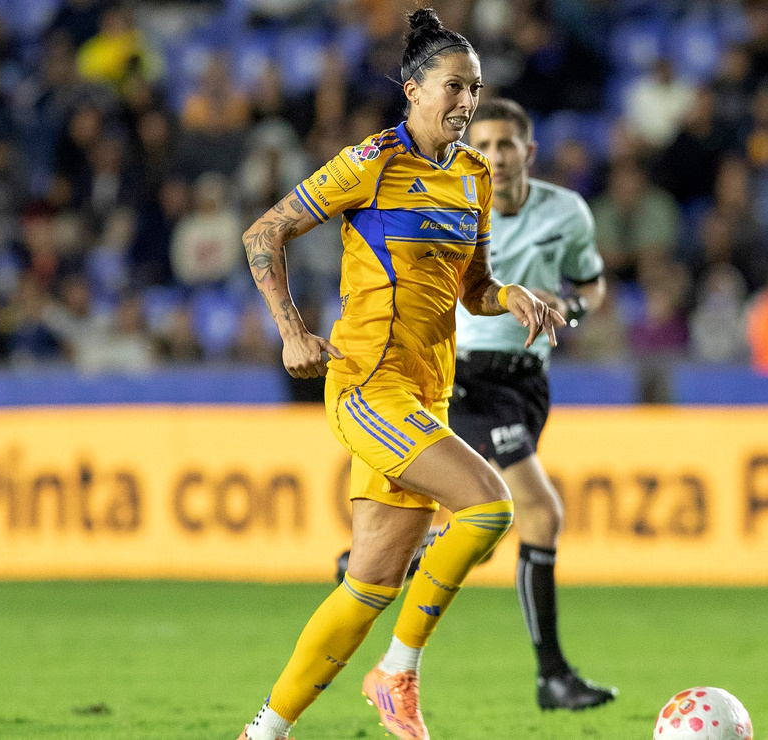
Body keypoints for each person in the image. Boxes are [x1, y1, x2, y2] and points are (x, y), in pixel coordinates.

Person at [235, 10, 563, 740]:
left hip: (427, 393)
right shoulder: (371, 163)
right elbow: (265, 232)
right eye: (453, 86)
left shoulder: (474, 178)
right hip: (365, 386)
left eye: (475, 89)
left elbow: (473, 288)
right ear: (413, 90)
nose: (467, 102)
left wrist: (508, 295)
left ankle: (263, 732)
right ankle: (396, 673)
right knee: (489, 506)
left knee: (370, 585)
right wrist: (291, 330)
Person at [448, 98, 615, 710]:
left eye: (505, 145)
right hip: (467, 377)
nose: (493, 156)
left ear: (528, 152)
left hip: (529, 382)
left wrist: (567, 308)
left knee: (481, 530)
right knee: (539, 514)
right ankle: (552, 677)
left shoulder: (566, 212)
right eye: (482, 146)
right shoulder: (456, 207)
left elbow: (591, 285)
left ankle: (372, 561)